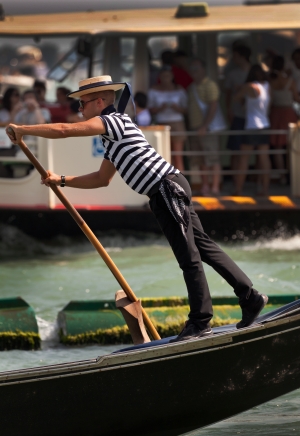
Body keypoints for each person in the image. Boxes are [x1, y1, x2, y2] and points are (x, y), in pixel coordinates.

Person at [6, 74, 268, 342]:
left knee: (189, 259)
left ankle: (201, 321)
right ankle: (250, 297)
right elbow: (101, 180)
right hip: (169, 189)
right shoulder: (112, 136)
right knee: (204, 248)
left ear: (99, 102)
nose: (80, 111)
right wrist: (61, 180)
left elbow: (64, 130)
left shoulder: (112, 122)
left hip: (166, 190)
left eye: (82, 104)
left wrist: (24, 129)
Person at [234, 64, 271, 196]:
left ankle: (238, 189)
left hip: (251, 125)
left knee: (244, 159)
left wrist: (240, 88)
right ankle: (265, 189)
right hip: (265, 124)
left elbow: (236, 98)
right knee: (264, 158)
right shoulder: (267, 86)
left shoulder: (250, 86)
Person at [188, 58, 222, 196]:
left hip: (208, 129)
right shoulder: (191, 87)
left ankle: (215, 187)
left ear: (203, 70)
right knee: (201, 159)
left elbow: (213, 106)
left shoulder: (210, 85)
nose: (194, 72)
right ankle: (205, 187)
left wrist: (204, 126)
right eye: (192, 69)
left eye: (196, 69)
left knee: (213, 158)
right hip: (195, 128)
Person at [148, 66, 187, 172]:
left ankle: (181, 186)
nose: (166, 78)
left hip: (177, 123)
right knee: (164, 155)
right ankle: (167, 185)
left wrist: (177, 108)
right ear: (160, 76)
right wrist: (160, 108)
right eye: (164, 76)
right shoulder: (153, 90)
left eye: (168, 76)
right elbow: (150, 109)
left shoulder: (179, 89)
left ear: (172, 76)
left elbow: (186, 109)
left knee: (178, 156)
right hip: (161, 123)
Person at [269, 55, 300, 184]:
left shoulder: (271, 82)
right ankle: (292, 176)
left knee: (277, 146)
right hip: (288, 113)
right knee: (291, 145)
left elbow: (269, 101)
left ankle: (282, 176)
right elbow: (297, 98)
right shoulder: (290, 81)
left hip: (275, 113)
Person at [224, 45, 251, 177]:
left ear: (242, 56)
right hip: (237, 115)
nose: (233, 59)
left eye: (235, 56)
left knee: (255, 149)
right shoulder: (232, 74)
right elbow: (228, 94)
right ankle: (235, 178)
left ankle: (254, 178)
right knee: (235, 148)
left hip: (252, 117)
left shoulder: (254, 72)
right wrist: (229, 110)